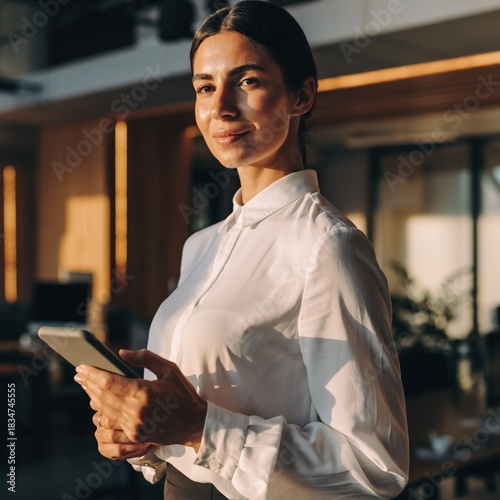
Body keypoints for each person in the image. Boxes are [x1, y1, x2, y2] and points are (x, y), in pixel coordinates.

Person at [74, 1, 409, 498]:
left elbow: (375, 467)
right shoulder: (201, 245)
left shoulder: (329, 248)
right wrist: (143, 434)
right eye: (205, 87)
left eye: (247, 81)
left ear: (302, 96)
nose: (221, 107)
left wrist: (198, 428)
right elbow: (194, 425)